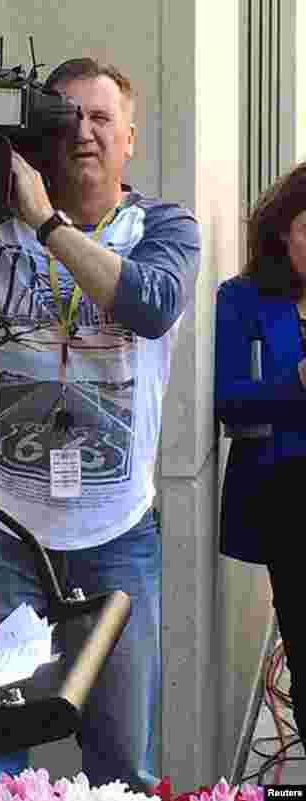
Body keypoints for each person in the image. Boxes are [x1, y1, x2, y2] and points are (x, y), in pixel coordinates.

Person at [0, 57, 201, 791]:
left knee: (121, 760)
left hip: (117, 534)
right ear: (41, 137)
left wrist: (46, 223)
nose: (84, 132)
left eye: (102, 117)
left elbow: (150, 305)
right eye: (67, 117)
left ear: (130, 137)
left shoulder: (162, 227)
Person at [215, 162, 306, 738]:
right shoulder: (242, 298)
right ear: (283, 232)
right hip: (287, 494)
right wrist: (297, 379)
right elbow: (231, 403)